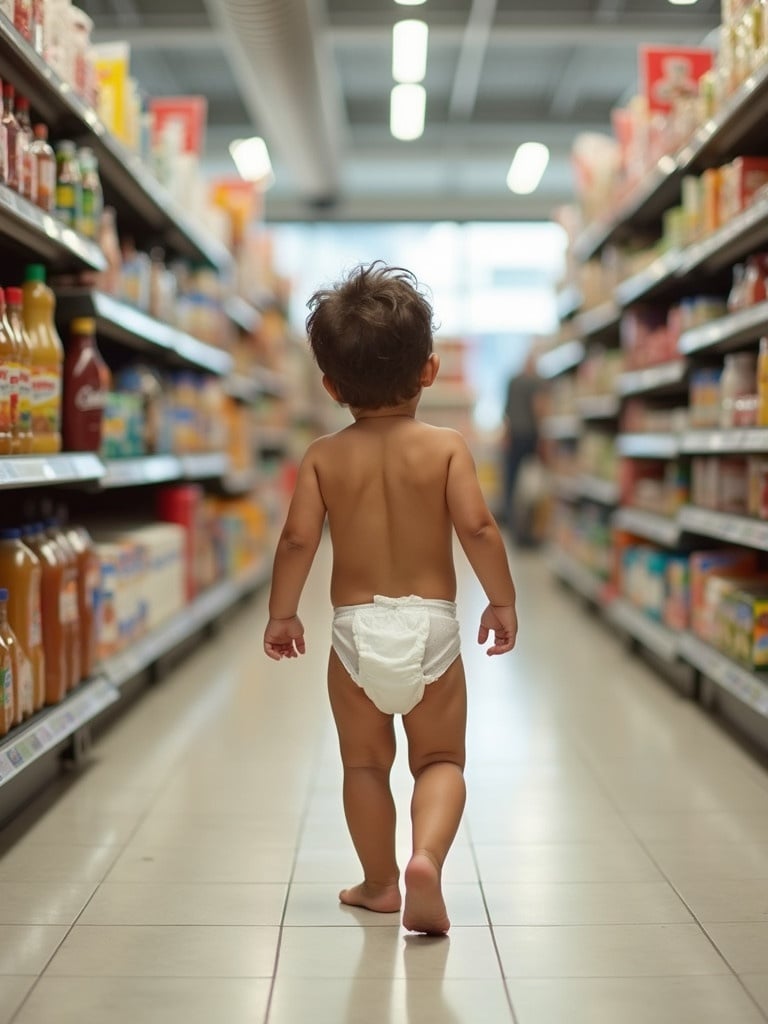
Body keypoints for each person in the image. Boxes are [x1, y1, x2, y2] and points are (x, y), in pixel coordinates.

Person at [263, 262, 518, 935]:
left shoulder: (322, 456)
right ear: (429, 371)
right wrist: (502, 600)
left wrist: (282, 612)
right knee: (439, 760)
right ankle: (426, 860)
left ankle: (380, 883)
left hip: (354, 632)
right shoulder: (446, 448)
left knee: (364, 764)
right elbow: (479, 528)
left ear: (329, 384)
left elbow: (296, 542)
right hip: (431, 629)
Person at [501, 351, 546, 540]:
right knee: (530, 485)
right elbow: (539, 408)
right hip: (529, 437)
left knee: (511, 483)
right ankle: (528, 530)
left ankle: (513, 527)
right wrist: (543, 437)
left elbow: (506, 411)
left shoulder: (513, 381)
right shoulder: (537, 382)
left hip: (513, 436)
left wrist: (506, 436)